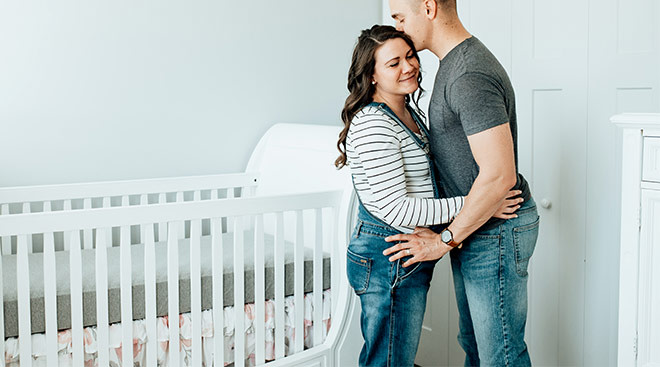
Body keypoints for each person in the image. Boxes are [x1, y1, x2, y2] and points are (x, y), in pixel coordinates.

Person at [336, 24, 523, 367]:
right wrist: (483, 203)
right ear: (372, 75)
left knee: (395, 357)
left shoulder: (408, 113)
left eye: (410, 56)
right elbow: (398, 209)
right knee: (388, 360)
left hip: (404, 251)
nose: (408, 66)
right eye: (393, 63)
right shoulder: (373, 124)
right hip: (387, 253)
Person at [382, 1, 540, 366]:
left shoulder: (468, 73)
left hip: (496, 230)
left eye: (400, 17)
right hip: (477, 225)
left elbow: (500, 175)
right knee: (475, 343)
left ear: (428, 7)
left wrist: (443, 241)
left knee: (500, 354)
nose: (398, 26)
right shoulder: (451, 65)